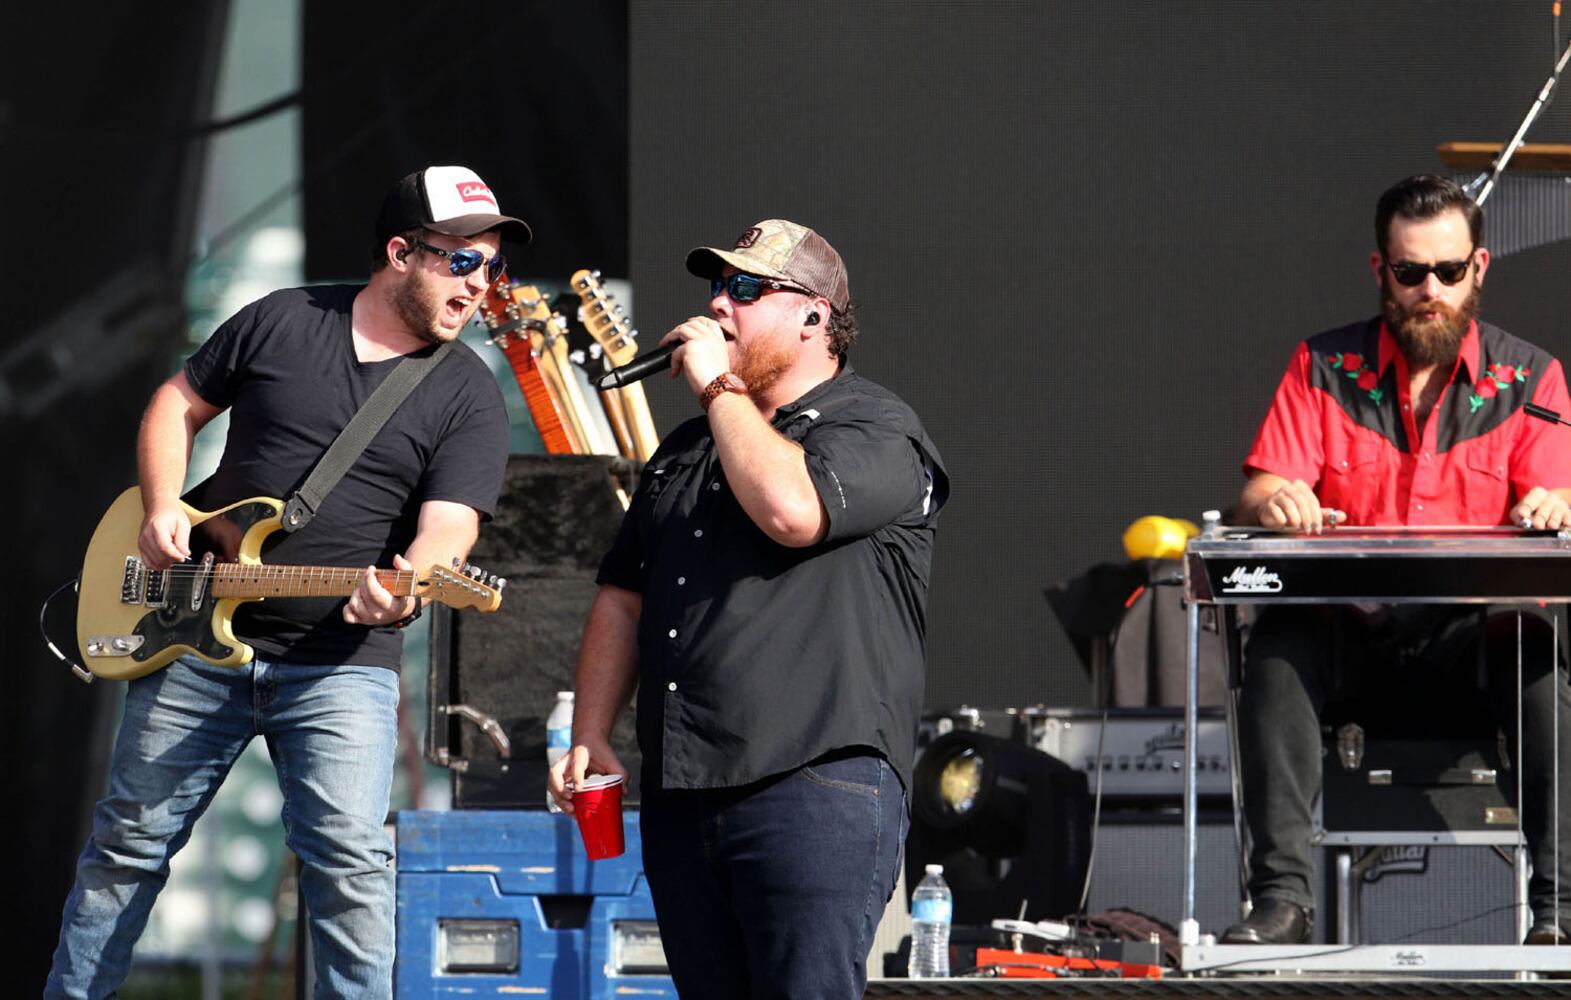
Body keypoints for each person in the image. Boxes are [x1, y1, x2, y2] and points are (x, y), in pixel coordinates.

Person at [46, 165, 520, 997]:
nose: (479, 283)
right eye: (461, 261)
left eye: (492, 265)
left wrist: (407, 583)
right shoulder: (283, 318)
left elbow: (450, 530)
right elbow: (175, 404)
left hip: (340, 666)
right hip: (191, 640)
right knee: (126, 849)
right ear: (399, 253)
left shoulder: (467, 392)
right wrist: (162, 505)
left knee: (350, 867)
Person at [550, 219, 949, 998]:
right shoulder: (688, 447)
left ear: (814, 316)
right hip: (685, 792)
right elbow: (623, 598)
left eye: (744, 288)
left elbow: (793, 511)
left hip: (812, 784)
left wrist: (717, 389)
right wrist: (591, 731)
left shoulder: (874, 425)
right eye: (715, 286)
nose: (717, 305)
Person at [1223, 174, 1571, 946]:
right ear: (1379, 270)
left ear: (1479, 267)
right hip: (1354, 639)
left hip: (1472, 647)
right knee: (1275, 646)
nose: (1430, 291)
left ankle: (1561, 910)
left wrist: (1555, 505)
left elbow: (1560, 493)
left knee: (1537, 655)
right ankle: (1281, 901)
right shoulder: (1320, 366)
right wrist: (1275, 502)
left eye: (1448, 271)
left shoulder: (1532, 379)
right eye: (1411, 271)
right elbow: (1260, 490)